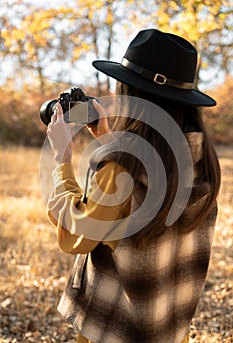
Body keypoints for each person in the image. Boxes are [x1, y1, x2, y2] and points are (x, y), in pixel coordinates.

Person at [46, 29, 221, 343]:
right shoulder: (203, 162)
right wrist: (111, 140)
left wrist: (62, 158)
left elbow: (78, 235)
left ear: (131, 93)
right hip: (169, 326)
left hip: (115, 327)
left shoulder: (120, 166)